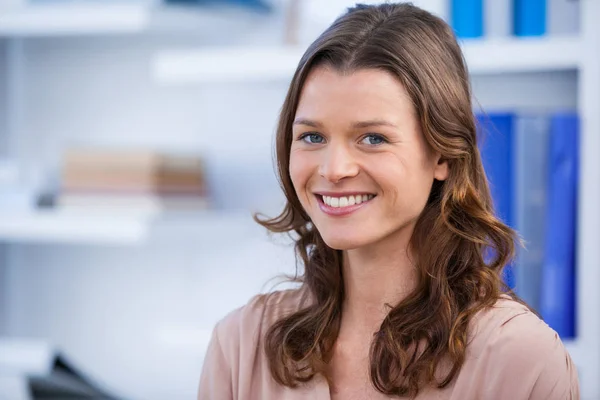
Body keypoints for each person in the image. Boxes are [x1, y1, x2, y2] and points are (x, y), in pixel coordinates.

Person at [198, 3, 579, 399]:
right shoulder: (240, 346)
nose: (334, 169)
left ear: (443, 155)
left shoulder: (520, 359)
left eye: (373, 138)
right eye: (313, 137)